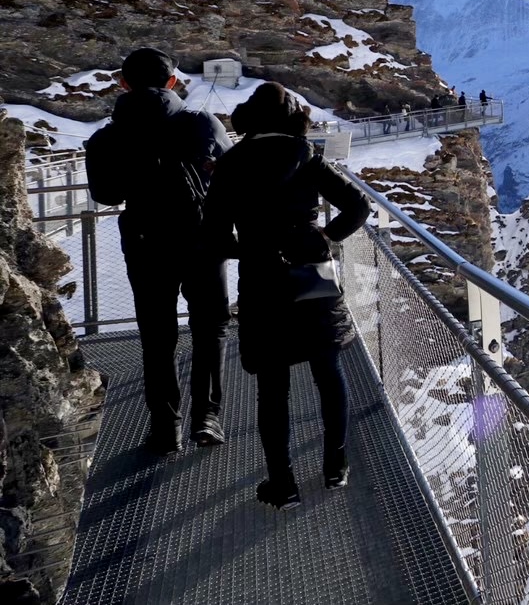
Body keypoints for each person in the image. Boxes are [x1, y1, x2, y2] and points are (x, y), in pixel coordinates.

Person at [202, 82, 370, 509]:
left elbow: (215, 237)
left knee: (272, 388)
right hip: (311, 275)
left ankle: (283, 483)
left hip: (261, 282)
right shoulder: (307, 157)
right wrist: (323, 236)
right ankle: (336, 468)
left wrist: (251, 248)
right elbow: (358, 205)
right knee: (328, 373)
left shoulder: (230, 164)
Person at [84, 47, 232, 453]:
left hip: (146, 241)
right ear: (172, 83)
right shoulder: (201, 122)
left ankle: (165, 429)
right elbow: (231, 177)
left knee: (156, 335)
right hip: (202, 239)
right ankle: (208, 417)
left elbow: (107, 194)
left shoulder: (106, 138)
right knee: (211, 327)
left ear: (123, 84)